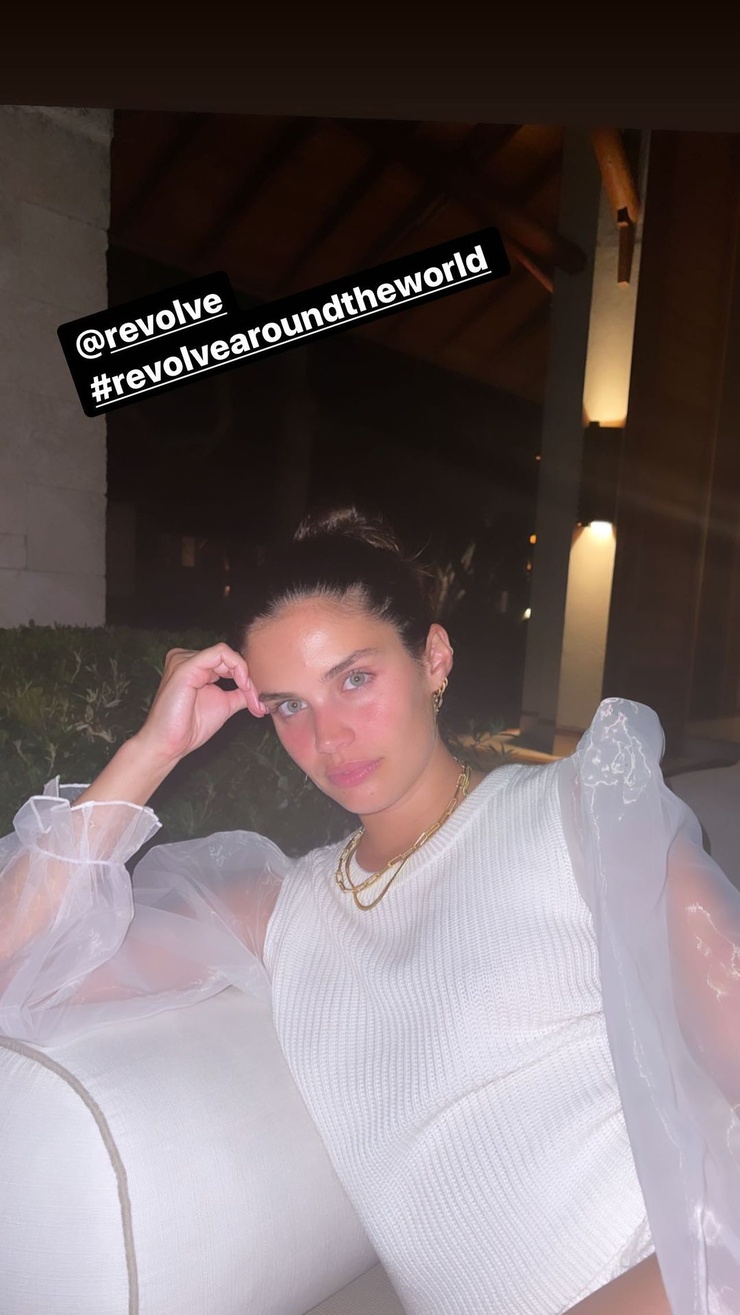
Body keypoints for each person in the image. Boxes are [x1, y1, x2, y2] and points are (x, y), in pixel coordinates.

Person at [0, 508, 738, 1315]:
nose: (330, 735)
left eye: (354, 679)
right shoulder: (281, 910)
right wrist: (152, 750)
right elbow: (16, 958)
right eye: (290, 705)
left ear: (433, 658)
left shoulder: (578, 811)